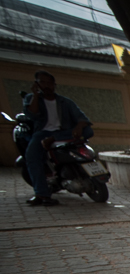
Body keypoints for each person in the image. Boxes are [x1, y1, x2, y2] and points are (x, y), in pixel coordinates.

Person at [22, 70, 94, 206]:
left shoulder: (65, 102)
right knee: (32, 157)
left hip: (64, 132)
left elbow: (83, 119)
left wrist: (79, 126)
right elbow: (33, 115)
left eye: (49, 83)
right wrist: (36, 95)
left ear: (54, 85)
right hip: (43, 133)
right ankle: (42, 194)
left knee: (88, 130)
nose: (47, 86)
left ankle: (56, 140)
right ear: (36, 84)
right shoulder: (31, 99)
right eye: (43, 82)